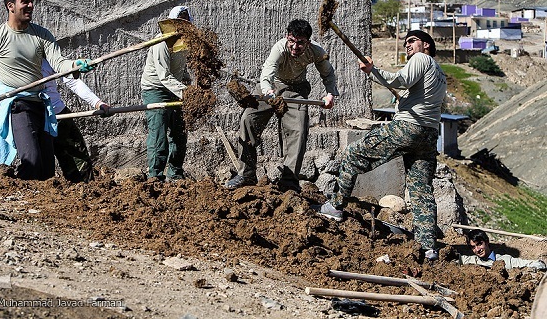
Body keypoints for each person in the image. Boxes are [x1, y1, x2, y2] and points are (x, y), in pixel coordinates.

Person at [316, 30, 447, 262]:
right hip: (428, 135)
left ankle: (336, 206)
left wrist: (372, 72)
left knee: (355, 152)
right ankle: (428, 247)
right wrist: (404, 99)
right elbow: (415, 93)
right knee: (421, 190)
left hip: (409, 128)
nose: (407, 46)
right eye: (405, 43)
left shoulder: (422, 59)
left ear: (426, 45)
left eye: (412, 41)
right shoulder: (439, 74)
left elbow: (402, 80)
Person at [0, 0, 94, 180]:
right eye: (25, 1)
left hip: (41, 105)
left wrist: (74, 65)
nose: (30, 5)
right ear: (10, 6)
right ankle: (19, 203)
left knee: (47, 169)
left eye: (32, 1)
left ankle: (43, 207)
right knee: (32, 160)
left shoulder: (42, 35)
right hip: (18, 107)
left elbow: (58, 62)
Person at [225, 19, 338, 190]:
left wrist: (330, 94)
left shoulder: (316, 51)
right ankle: (246, 174)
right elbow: (266, 76)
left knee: (298, 130)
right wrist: (269, 92)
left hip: (296, 89)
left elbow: (328, 74)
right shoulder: (279, 48)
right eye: (292, 41)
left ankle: (289, 183)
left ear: (307, 42)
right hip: (271, 86)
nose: (294, 47)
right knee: (248, 119)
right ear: (287, 37)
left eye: (300, 43)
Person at [0, 59, 110, 183]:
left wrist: (98, 103)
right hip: (32, 119)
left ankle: (84, 193)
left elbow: (73, 82)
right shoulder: (8, 66)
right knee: (40, 166)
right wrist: (1, 118)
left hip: (59, 117)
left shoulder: (49, 59)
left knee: (80, 163)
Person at [140, 6, 193, 181]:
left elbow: (180, 70)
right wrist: (187, 93)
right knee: (159, 135)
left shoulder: (185, 42)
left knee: (180, 133)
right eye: (179, 23)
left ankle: (175, 174)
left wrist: (189, 84)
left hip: (176, 89)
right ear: (172, 23)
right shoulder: (162, 41)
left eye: (185, 23)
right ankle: (155, 176)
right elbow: (164, 75)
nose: (182, 27)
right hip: (155, 89)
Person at [460, 229, 546, 270]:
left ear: (487, 242)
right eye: (473, 247)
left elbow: (536, 264)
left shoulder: (506, 260)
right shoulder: (470, 261)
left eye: (479, 244)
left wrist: (533, 269)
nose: (477, 249)